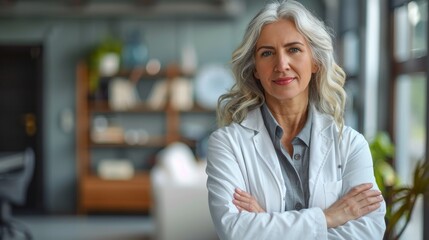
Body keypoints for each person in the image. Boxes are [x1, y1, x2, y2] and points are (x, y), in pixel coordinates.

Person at [205, 0, 386, 239]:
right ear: (255, 69)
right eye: (267, 53)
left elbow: (367, 232)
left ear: (315, 62)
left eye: (293, 49)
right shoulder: (227, 144)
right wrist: (328, 217)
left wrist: (263, 222)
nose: (281, 64)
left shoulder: (351, 144)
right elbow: (235, 231)